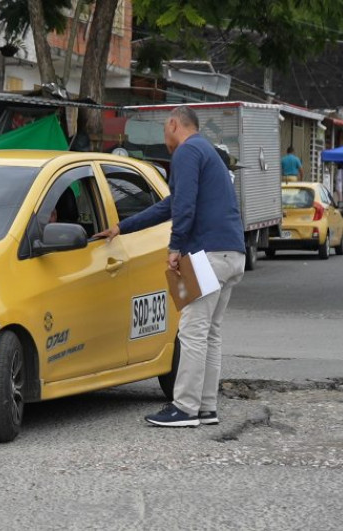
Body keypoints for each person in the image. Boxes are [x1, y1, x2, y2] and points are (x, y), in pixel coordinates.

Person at [93, 106, 246, 428]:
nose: (165, 138)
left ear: (174, 124)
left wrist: (175, 247)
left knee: (191, 331)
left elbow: (183, 206)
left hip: (206, 255)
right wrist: (124, 227)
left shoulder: (188, 152)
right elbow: (172, 204)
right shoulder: (208, 152)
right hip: (231, 253)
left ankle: (185, 408)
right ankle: (205, 407)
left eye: (165, 129)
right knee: (210, 333)